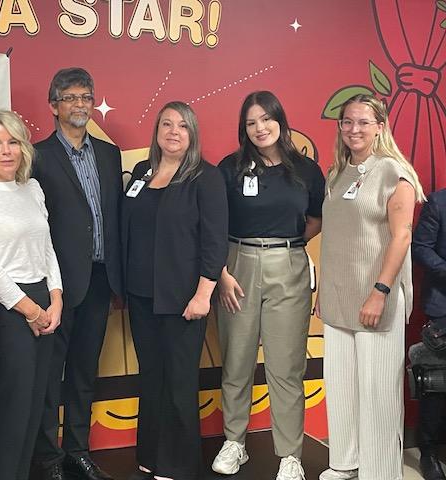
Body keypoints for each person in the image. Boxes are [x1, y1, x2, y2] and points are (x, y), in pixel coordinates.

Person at [212, 91, 325, 480]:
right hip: (236, 266)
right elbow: (213, 225)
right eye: (251, 122)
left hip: (289, 264)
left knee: (286, 365)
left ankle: (290, 454)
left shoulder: (306, 170)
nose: (260, 128)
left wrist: (284, 247)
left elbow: (314, 219)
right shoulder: (229, 168)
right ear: (243, 129)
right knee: (237, 358)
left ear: (280, 119)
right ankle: (235, 442)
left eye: (266, 119)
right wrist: (223, 272)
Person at [317, 93, 425, 480]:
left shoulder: (394, 171)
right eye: (347, 121)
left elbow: (402, 237)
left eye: (363, 121)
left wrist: (380, 292)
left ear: (380, 126)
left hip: (374, 298)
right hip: (338, 298)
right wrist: (324, 293)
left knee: (378, 394)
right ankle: (344, 463)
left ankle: (380, 472)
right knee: (342, 389)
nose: (354, 128)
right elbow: (337, 237)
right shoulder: (338, 172)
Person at [122, 101, 228, 480]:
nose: (173, 131)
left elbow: (215, 241)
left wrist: (203, 295)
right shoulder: (140, 173)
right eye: (166, 124)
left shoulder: (206, 177)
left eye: (182, 126)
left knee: (179, 380)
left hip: (184, 298)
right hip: (140, 295)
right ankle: (150, 455)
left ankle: (179, 465)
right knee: (151, 376)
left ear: (192, 134)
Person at [0, 110, 63, 479]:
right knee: (14, 410)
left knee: (37, 406)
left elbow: (47, 247)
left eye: (13, 142)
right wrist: (31, 310)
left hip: (44, 299)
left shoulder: (31, 188)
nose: (7, 151)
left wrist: (56, 298)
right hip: (8, 309)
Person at [32, 67, 123, 480]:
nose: (80, 104)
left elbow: (114, 217)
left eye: (86, 96)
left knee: (85, 371)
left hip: (101, 279)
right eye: (70, 97)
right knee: (51, 376)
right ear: (54, 106)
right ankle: (48, 459)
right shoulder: (36, 156)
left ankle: (77, 450)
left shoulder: (109, 154)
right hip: (56, 286)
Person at [412, 187, 446, 480]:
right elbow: (421, 246)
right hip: (443, 307)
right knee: (437, 385)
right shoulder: (439, 202)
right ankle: (429, 452)